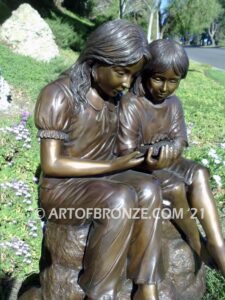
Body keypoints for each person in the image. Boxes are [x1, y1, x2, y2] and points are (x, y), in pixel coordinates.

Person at [35, 20, 164, 300]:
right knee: (119, 199)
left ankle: (146, 287)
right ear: (96, 62)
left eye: (133, 74)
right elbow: (51, 164)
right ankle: (101, 293)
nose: (127, 82)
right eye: (121, 73)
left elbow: (117, 148)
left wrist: (141, 156)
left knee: (149, 187)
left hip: (102, 178)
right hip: (63, 188)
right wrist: (112, 167)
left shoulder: (113, 97)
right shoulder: (58, 95)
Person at [118, 38, 225, 276]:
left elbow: (180, 139)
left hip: (169, 160)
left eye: (173, 81)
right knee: (176, 188)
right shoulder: (132, 104)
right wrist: (152, 155)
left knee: (198, 173)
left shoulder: (173, 104)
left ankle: (219, 246)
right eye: (158, 79)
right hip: (141, 167)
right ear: (145, 75)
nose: (165, 88)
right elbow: (126, 151)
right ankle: (197, 242)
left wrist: (171, 148)